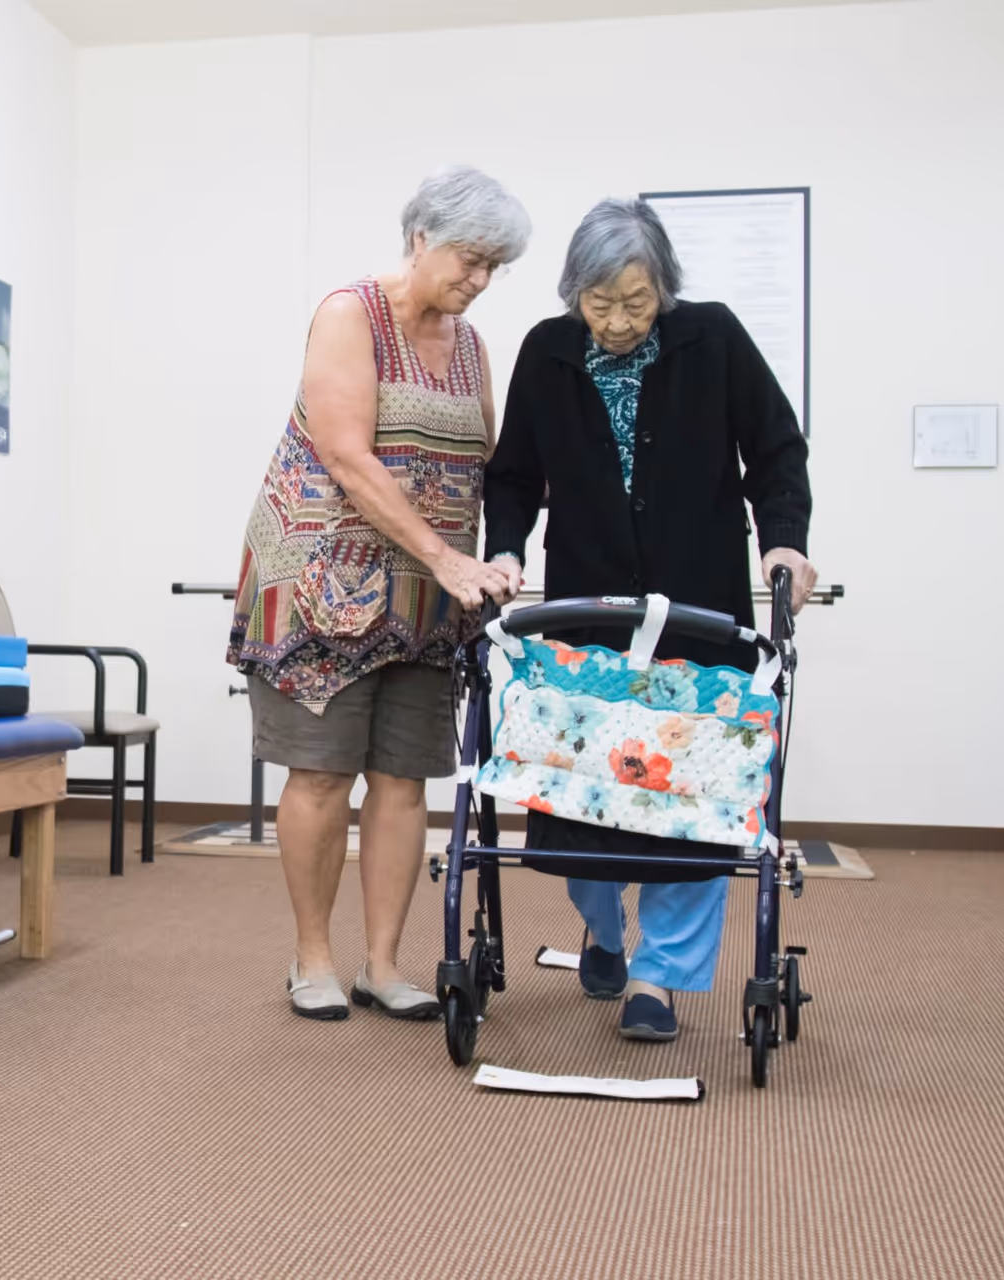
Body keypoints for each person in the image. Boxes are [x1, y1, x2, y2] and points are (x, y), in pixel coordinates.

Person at [482, 197, 815, 1043]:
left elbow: (776, 449)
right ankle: (602, 924)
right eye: (601, 304)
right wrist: (508, 550)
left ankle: (658, 981)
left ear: (664, 287)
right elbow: (514, 473)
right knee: (581, 790)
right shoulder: (547, 352)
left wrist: (783, 545)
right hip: (588, 608)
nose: (621, 321)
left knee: (698, 794)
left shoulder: (713, 337)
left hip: (701, 607)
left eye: (637, 301)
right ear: (572, 294)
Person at [228, 166, 530, 1022]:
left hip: (434, 590)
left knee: (404, 778)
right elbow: (347, 454)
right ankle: (313, 958)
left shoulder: (471, 347)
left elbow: (489, 460)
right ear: (420, 237)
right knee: (322, 773)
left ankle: (384, 963)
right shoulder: (347, 314)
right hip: (323, 579)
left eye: (492, 269)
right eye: (469, 260)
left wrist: (489, 558)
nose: (477, 282)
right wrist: (444, 556)